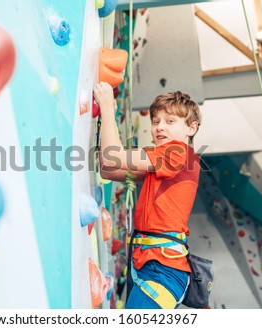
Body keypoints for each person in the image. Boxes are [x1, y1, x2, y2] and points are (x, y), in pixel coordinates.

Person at [93, 81, 202, 309]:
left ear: (191, 128)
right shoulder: (165, 164)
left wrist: (107, 108)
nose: (160, 127)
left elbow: (113, 158)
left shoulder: (177, 153)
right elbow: (108, 168)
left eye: (170, 122)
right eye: (156, 122)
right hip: (152, 264)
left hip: (162, 267)